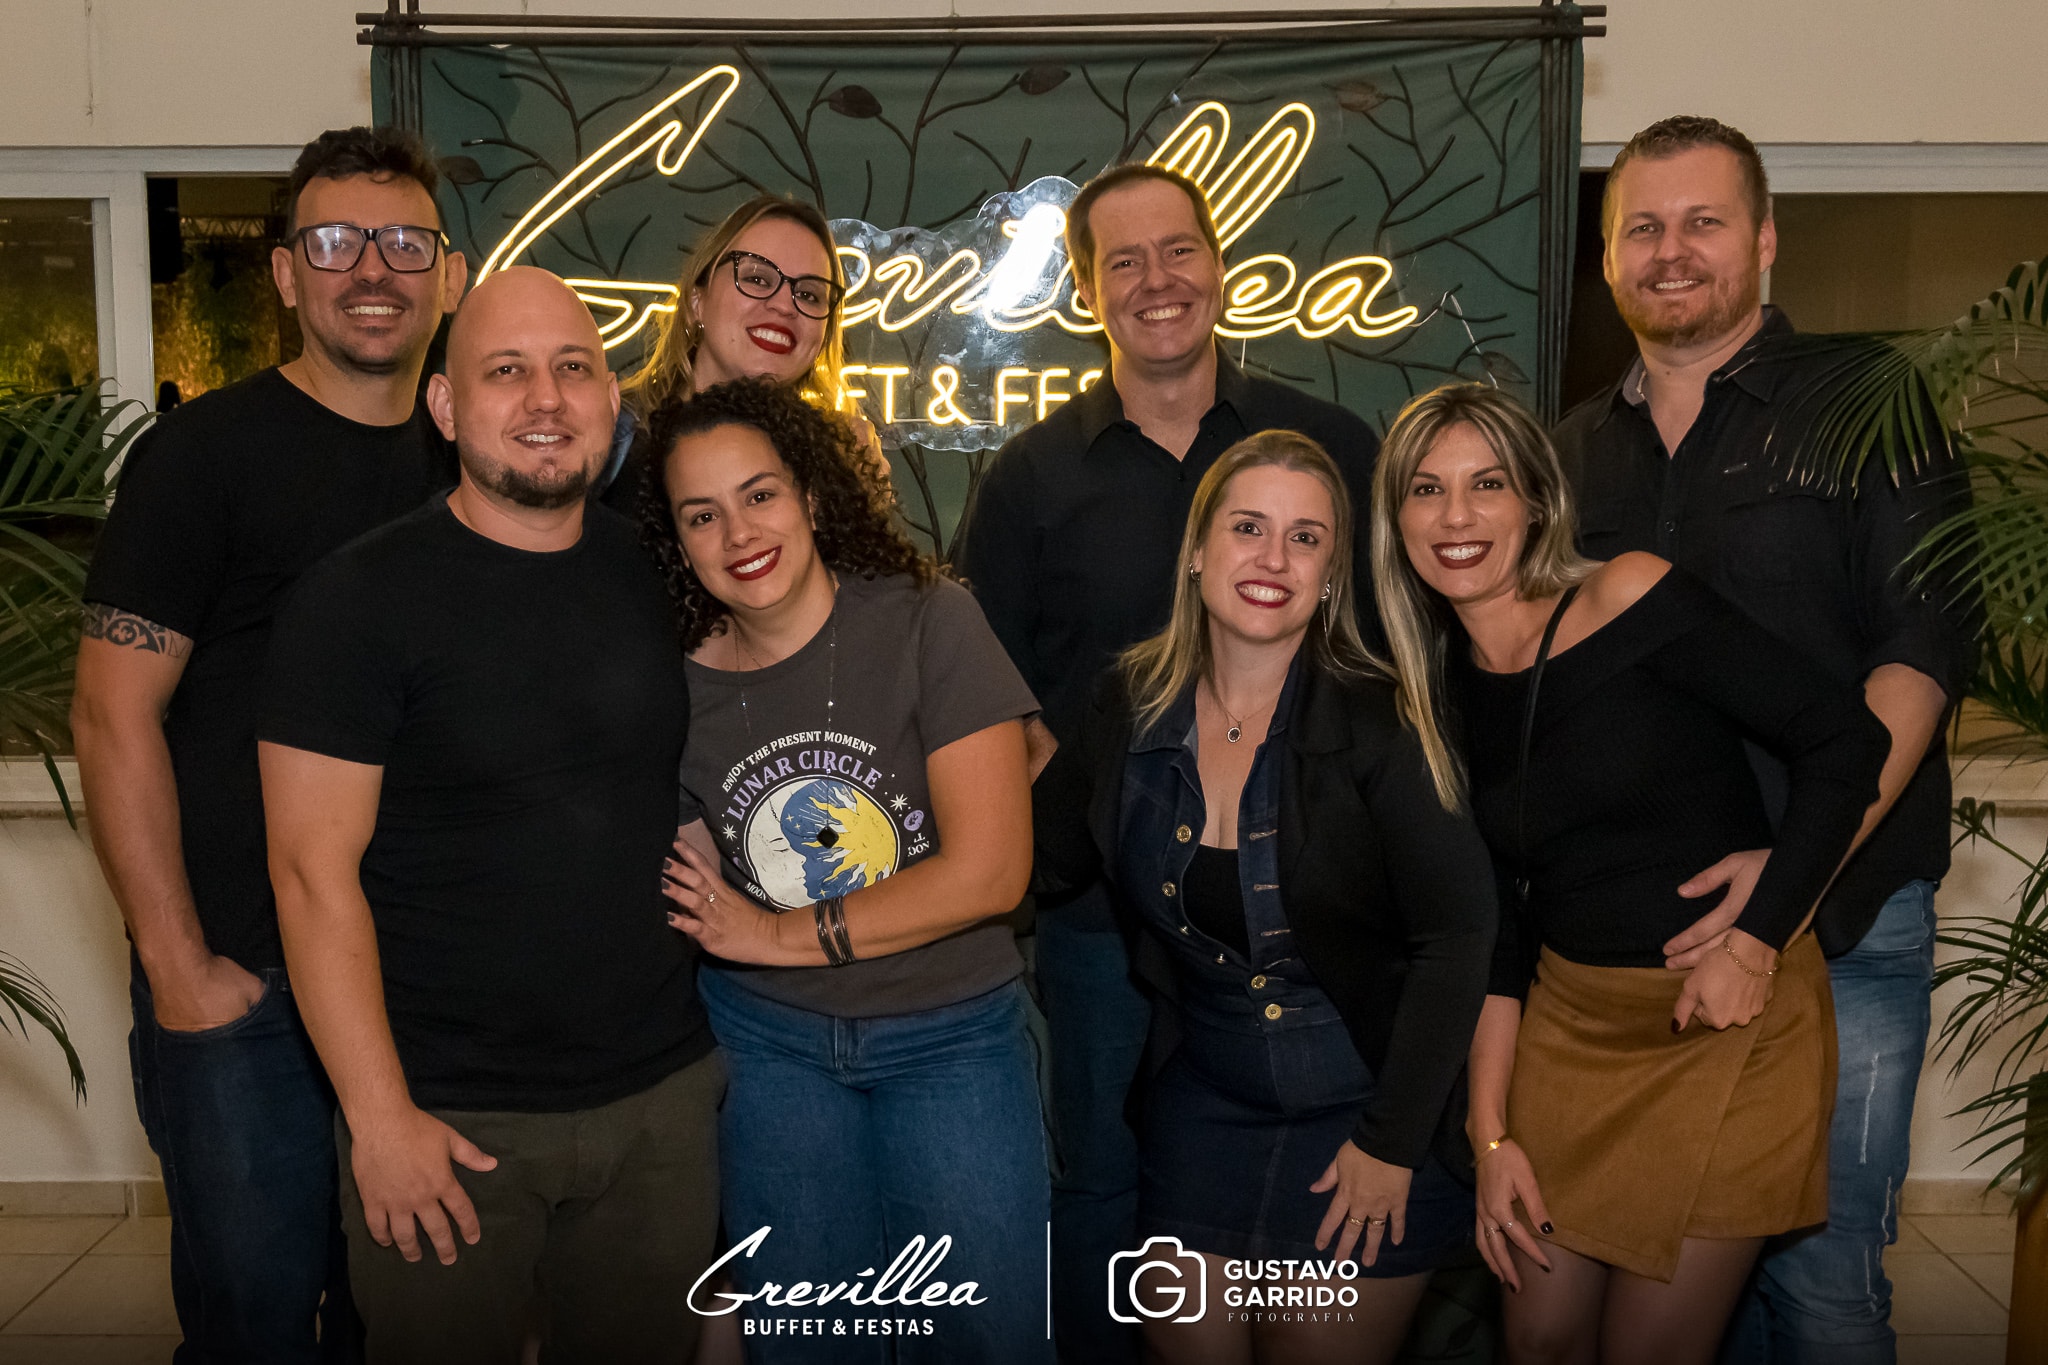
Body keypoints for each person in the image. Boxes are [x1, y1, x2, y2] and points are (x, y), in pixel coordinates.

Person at [1553, 116, 1979, 1362]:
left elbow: (1916, 659)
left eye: (1702, 221)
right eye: (1640, 227)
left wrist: (1789, 875)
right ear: (1605, 255)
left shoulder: (1867, 400)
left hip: (1841, 922)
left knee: (1821, 1290)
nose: (1669, 250)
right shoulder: (1567, 454)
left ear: (1765, 240)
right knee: (1673, 1288)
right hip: (1643, 949)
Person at [952, 161, 1383, 1363]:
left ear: (1218, 266)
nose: (1156, 280)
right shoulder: (1029, 477)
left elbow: (1392, 655)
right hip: (1099, 916)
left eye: (1177, 250)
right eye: (1123, 261)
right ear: (1086, 291)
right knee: (1099, 1176)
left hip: (1307, 911)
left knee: (1298, 1176)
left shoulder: (1331, 447)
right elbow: (989, 690)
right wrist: (1115, 813)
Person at [1373, 383, 1893, 1364]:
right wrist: (1490, 1136)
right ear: (1394, 520)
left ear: (1536, 500)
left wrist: (1758, 936)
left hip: (1727, 1021)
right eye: (1425, 489)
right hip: (1570, 1028)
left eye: (1487, 483)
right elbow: (1493, 931)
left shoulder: (1627, 594)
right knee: (1538, 1337)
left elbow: (1844, 740)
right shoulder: (1432, 694)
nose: (1455, 516)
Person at [257, 267, 721, 1364]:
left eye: (574, 368)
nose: (545, 397)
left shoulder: (658, 571)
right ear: (446, 406)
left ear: (611, 399)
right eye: (506, 371)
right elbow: (310, 876)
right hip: (448, 1119)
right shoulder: (355, 601)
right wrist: (380, 1119)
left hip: (658, 1104)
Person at [71, 124, 465, 1363]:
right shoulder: (202, 458)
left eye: (404, 243)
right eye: (336, 241)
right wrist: (180, 967)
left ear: (448, 275)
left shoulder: (477, 461)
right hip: (247, 987)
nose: (374, 269)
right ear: (288, 274)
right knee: (254, 1327)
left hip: (427, 989)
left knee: (407, 1321)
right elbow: (110, 714)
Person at [1032, 431, 1496, 1365]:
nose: (1273, 559)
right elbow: (1034, 861)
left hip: (1369, 1113)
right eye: (1248, 527)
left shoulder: (1381, 720)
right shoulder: (1128, 700)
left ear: (1330, 576)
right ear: (1198, 549)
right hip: (1204, 1111)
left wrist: (1392, 1144)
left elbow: (1461, 937)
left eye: (1305, 538)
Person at [644, 378, 1050, 1363]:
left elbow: (992, 871)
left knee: (987, 1339)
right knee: (809, 1342)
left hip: (949, 1032)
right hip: (769, 1045)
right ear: (679, 543)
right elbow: (683, 879)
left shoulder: (929, 620)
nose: (739, 532)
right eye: (703, 515)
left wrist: (776, 933)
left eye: (759, 494)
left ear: (812, 497)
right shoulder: (671, 682)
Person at [597, 192, 881, 510]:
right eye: (757, 278)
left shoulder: (832, 465)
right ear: (695, 303)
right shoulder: (608, 434)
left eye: (808, 295)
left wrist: (858, 503)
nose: (784, 305)